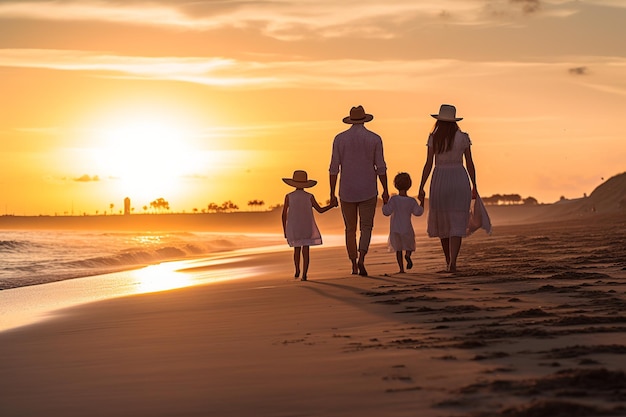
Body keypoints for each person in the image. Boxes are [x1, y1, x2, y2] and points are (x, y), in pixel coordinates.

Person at [329, 105, 389, 276]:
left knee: (350, 229)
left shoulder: (339, 139)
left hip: (346, 190)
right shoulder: (374, 139)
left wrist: (331, 193)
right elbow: (381, 167)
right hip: (368, 188)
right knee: (366, 227)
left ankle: (353, 264)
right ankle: (362, 256)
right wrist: (385, 189)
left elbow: (334, 168)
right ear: (364, 119)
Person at [418, 104, 477, 273]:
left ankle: (447, 259)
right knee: (457, 220)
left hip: (440, 179)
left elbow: (428, 163)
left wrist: (421, 186)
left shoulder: (433, 138)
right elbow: (470, 163)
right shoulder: (463, 137)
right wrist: (475, 185)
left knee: (443, 222)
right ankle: (453, 261)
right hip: (459, 178)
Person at [282, 170, 336, 281]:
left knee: (296, 250)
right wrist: (331, 205)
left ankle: (297, 270)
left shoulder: (289, 196)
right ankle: (304, 274)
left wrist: (285, 230)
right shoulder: (309, 196)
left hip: (294, 226)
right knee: (305, 250)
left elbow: (283, 215)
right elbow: (320, 210)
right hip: (307, 226)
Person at [382, 172, 424, 273]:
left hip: (395, 229)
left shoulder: (394, 199)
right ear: (409, 185)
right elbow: (419, 212)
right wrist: (422, 201)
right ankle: (408, 255)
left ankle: (401, 269)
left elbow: (386, 212)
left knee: (398, 249)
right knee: (409, 246)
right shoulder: (411, 201)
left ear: (395, 185)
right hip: (407, 228)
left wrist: (385, 201)